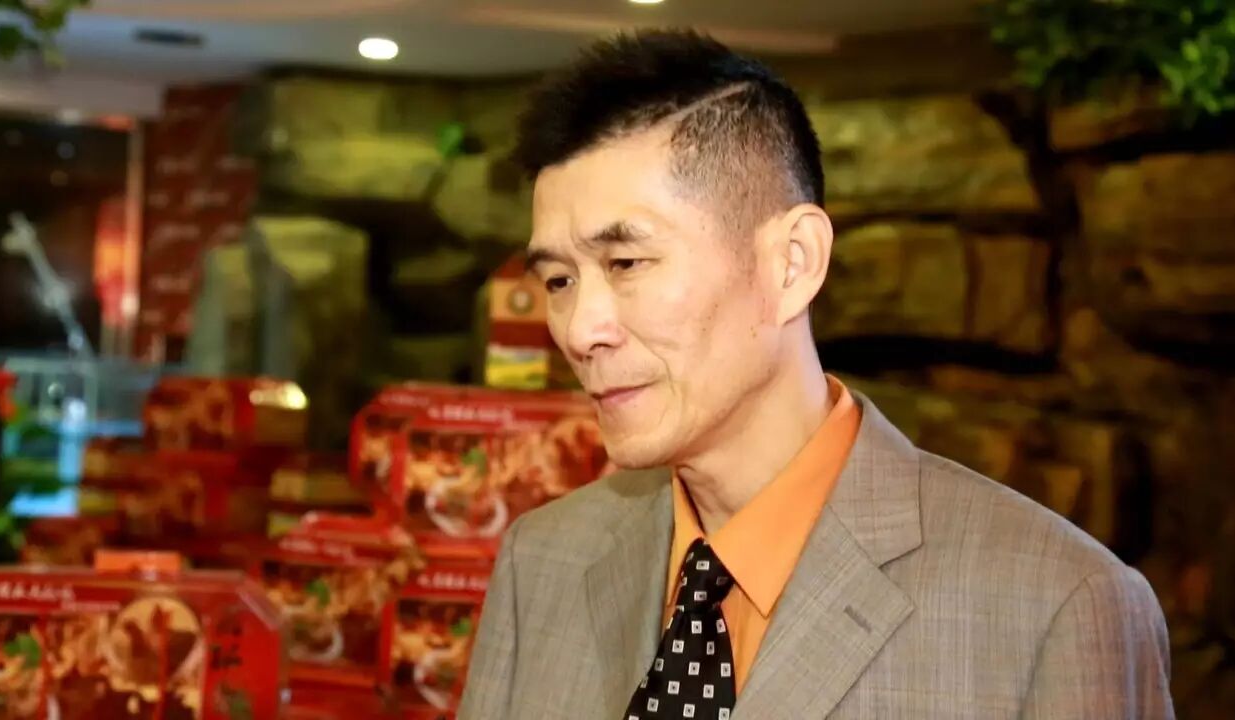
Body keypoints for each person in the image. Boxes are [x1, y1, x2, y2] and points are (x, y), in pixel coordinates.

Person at [458, 29, 1173, 720]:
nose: (580, 329)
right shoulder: (542, 562)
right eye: (559, 280)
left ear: (792, 263)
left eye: (626, 263)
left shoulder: (1054, 604)